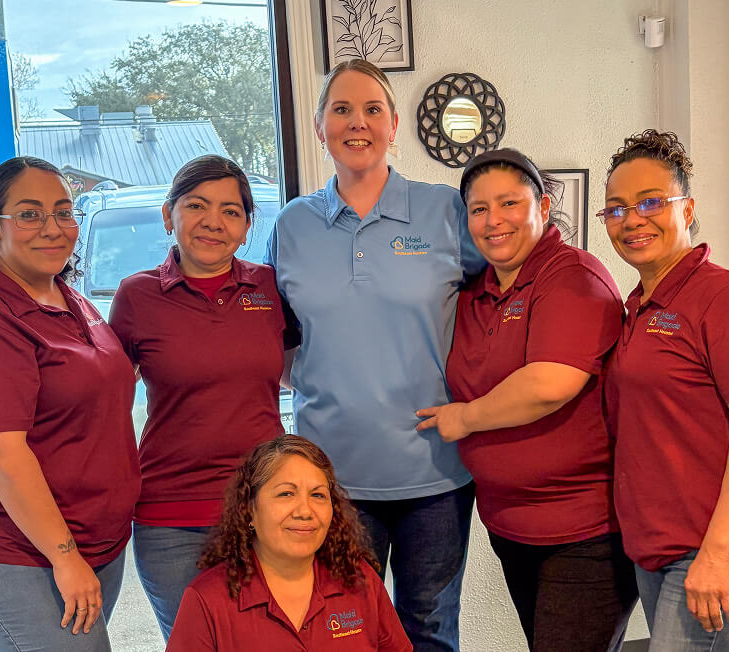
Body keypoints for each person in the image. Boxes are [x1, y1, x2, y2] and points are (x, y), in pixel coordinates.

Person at [264, 59, 485, 651]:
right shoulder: (292, 225)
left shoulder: (445, 211)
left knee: (428, 631)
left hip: (435, 474)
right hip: (329, 479)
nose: (356, 122)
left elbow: (504, 290)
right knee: (340, 633)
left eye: (371, 110)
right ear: (319, 127)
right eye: (341, 109)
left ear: (393, 126)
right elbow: (274, 334)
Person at [416, 148, 638, 652]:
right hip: (511, 527)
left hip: (584, 532)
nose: (494, 220)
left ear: (543, 205)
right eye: (479, 209)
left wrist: (465, 418)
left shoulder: (573, 276)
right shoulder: (476, 291)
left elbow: (549, 383)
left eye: (509, 203)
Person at [109, 154, 299, 641]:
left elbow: (303, 372)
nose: (214, 221)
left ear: (247, 226)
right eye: (196, 205)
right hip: (170, 521)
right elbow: (104, 401)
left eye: (231, 211)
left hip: (264, 512)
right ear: (168, 215)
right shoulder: (136, 297)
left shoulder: (269, 287)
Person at [0, 157, 140, 652]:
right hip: (22, 551)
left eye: (64, 212)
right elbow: (0, 452)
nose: (53, 228)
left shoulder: (69, 297)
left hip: (97, 540)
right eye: (29, 214)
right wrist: (65, 556)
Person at [601, 129, 729, 649]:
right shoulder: (636, 306)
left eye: (651, 202)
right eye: (616, 209)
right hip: (652, 547)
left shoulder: (724, 297)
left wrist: (717, 551)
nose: (632, 220)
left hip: (708, 550)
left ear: (687, 209)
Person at [166, 435, 412, 651]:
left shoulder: (360, 579)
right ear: (249, 509)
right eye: (286, 494)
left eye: (318, 495)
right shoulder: (206, 600)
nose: (305, 511)